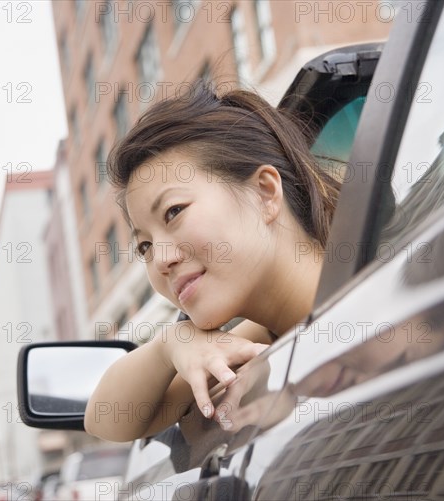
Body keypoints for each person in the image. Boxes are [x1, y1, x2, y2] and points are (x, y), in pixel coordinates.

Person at [84, 81, 340, 442]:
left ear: (265, 192)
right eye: (145, 247)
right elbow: (105, 419)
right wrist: (172, 343)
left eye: (174, 212)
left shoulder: (378, 298)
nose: (161, 261)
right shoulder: (263, 336)